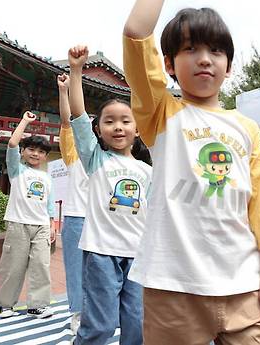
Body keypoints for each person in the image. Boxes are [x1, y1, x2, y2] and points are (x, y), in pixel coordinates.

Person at [122, 0, 260, 344]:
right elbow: (135, 34)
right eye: (190, 49)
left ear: (229, 65)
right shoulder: (161, 112)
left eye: (216, 51)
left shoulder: (246, 128)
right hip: (172, 288)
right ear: (168, 64)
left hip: (244, 288)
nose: (204, 58)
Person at [67, 45, 152, 345]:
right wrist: (76, 70)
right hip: (102, 253)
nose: (118, 126)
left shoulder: (147, 170)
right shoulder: (95, 159)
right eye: (109, 121)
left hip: (139, 256)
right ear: (99, 130)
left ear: (137, 129)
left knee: (137, 325)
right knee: (100, 326)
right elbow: (78, 114)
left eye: (125, 121)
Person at [0, 111, 55, 319]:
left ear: (45, 156)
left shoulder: (46, 178)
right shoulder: (16, 170)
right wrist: (25, 121)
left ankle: (37, 305)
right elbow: (12, 144)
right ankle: (6, 305)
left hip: (41, 226)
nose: (35, 154)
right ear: (23, 151)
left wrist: (52, 225)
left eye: (41, 151)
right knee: (13, 266)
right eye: (31, 149)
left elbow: (49, 204)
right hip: (18, 224)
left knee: (41, 265)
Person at [57, 73, 87, 335]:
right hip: (77, 219)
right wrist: (64, 91)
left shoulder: (109, 157)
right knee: (76, 269)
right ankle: (78, 314)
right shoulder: (74, 153)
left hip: (105, 221)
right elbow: (68, 121)